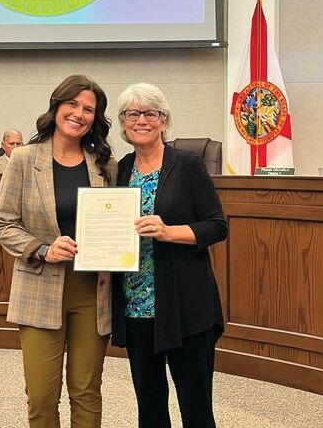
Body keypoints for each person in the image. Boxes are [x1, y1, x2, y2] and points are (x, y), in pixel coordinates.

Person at [0, 75, 117, 428]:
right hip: (39, 288)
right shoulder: (24, 159)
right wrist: (43, 249)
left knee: (87, 391)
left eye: (89, 109)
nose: (79, 114)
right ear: (57, 106)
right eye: (73, 104)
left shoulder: (105, 164)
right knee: (43, 396)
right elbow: (4, 224)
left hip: (92, 291)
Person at [111, 83, 228, 428]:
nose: (142, 120)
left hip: (185, 306)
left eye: (151, 113)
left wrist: (168, 232)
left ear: (164, 121)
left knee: (195, 409)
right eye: (133, 113)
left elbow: (217, 226)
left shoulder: (188, 166)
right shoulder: (121, 168)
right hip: (136, 305)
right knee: (149, 408)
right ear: (123, 122)